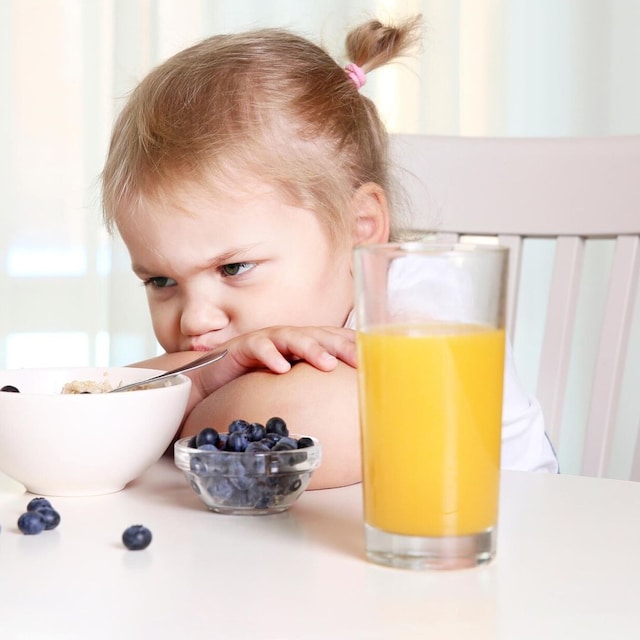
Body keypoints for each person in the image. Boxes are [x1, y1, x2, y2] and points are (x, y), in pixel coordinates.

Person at [101, 16, 558, 489]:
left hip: (509, 545)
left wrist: (174, 407)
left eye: (234, 268)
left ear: (360, 230)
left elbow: (321, 426)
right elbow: (82, 410)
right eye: (160, 281)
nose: (195, 320)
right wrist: (204, 377)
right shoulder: (227, 345)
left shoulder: (422, 295)